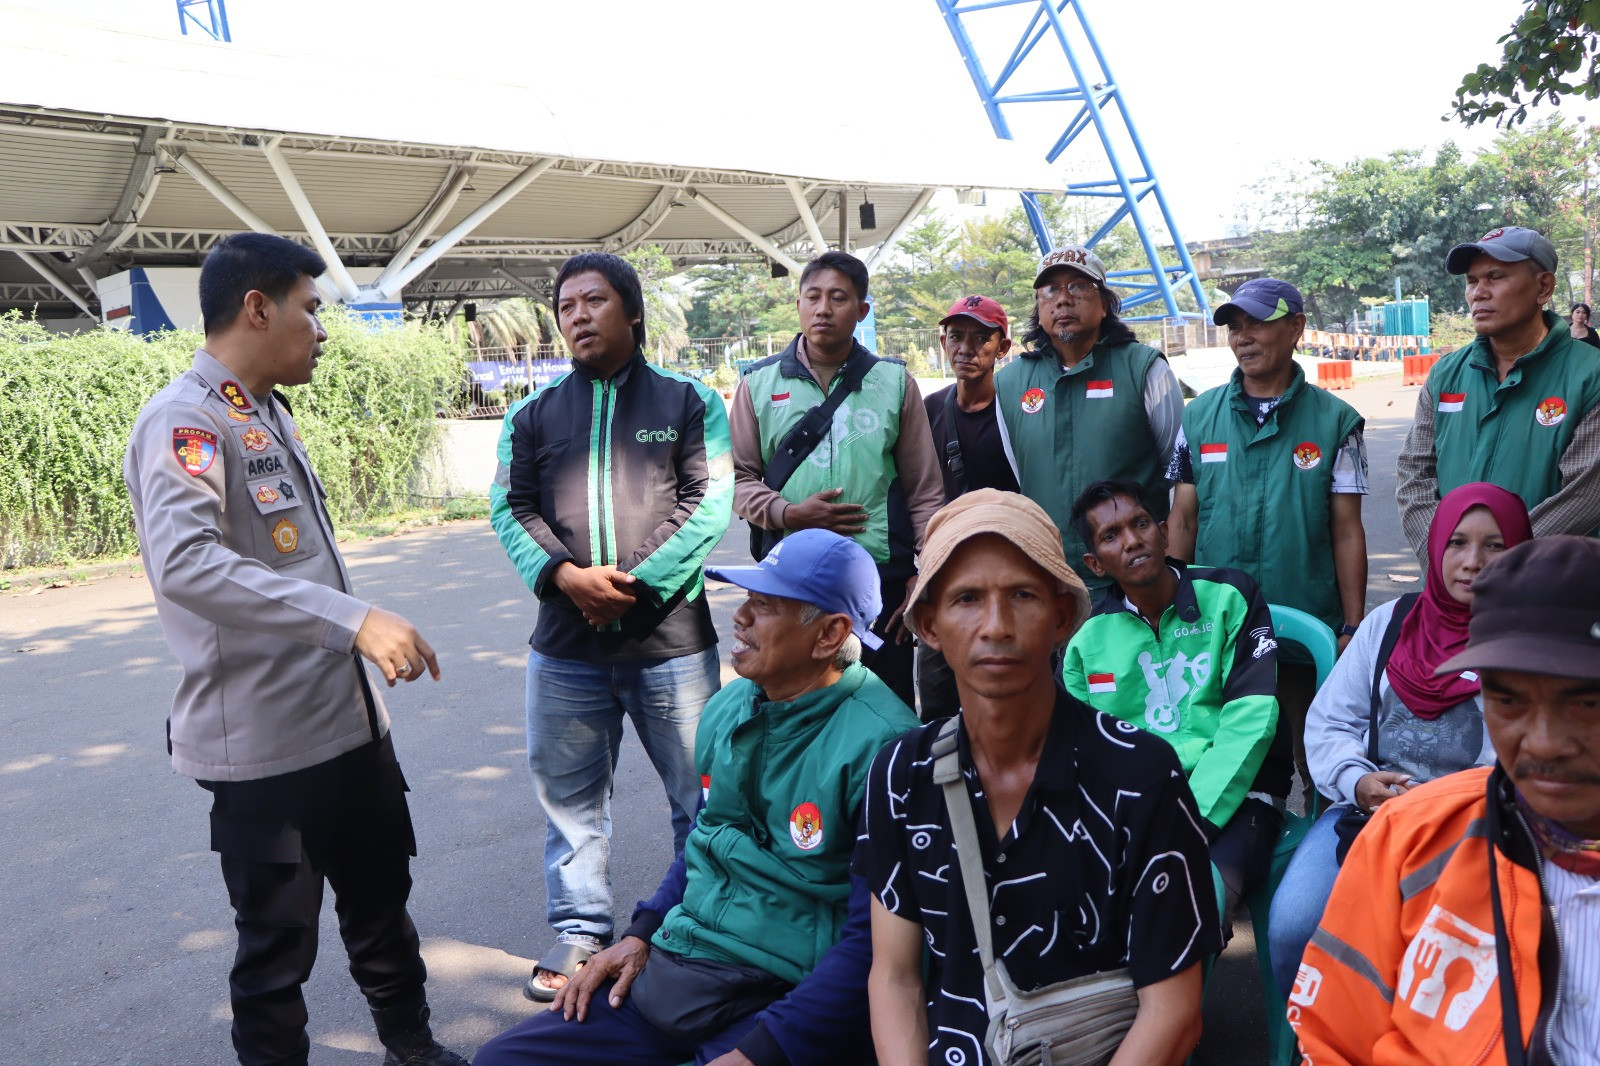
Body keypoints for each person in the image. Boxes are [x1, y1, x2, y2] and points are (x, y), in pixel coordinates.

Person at [122, 233, 465, 1066]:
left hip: (349, 728)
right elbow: (189, 565)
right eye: (311, 308)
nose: (320, 328)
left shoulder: (261, 408)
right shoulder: (186, 420)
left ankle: (414, 1051)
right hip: (269, 753)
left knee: (383, 907)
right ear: (257, 307)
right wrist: (353, 620)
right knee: (277, 955)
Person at [473, 530, 919, 1066]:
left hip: (781, 996)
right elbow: (703, 844)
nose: (741, 617)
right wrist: (640, 934)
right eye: (747, 599)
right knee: (503, 1060)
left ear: (829, 635)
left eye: (765, 606)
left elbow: (872, 944)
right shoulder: (729, 707)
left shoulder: (887, 750)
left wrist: (762, 1050)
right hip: (678, 967)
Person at [860, 490, 1221, 1066]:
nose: (996, 626)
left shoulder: (1141, 776)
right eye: (967, 599)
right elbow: (895, 977)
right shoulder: (902, 775)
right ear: (929, 625)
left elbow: (1173, 1013)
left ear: (1061, 617)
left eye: (1022, 595)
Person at [489, 252, 733, 1001]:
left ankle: (694, 926)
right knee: (569, 804)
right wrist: (566, 578)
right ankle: (580, 933)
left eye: (595, 301)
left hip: (670, 645)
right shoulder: (531, 414)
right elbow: (508, 506)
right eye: (566, 306)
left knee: (702, 796)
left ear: (631, 312)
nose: (578, 315)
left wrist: (629, 586)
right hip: (565, 650)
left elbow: (709, 500)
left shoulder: (690, 402)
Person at [1289, 536, 1600, 1066]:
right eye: (1507, 699)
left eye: (1588, 702)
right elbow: (1335, 1038)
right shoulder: (1407, 840)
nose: (1544, 741)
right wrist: (1358, 782)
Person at [1267, 481, 1532, 1000]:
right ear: (1435, 547)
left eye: (1495, 546)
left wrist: (1456, 807)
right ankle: (1319, 1043)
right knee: (1295, 926)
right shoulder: (1389, 625)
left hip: (1478, 831)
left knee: (1450, 956)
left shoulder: (1529, 644)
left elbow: (1535, 764)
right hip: (1368, 816)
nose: (1473, 561)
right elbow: (1328, 724)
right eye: (1457, 543)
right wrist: (1358, 780)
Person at [1167, 277, 1368, 789]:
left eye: (1257, 322)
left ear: (1296, 327)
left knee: (1313, 758)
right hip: (1219, 627)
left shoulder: (1336, 421)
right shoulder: (1197, 417)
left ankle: (1316, 857)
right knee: (1220, 757)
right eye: (1235, 326)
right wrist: (1171, 609)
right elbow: (1184, 519)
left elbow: (1347, 531)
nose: (1243, 336)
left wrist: (1349, 626)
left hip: (1305, 620)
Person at [1061, 479, 1290, 929]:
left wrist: (1187, 820)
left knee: (1188, 907)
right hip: (1134, 810)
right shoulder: (1086, 642)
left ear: (1164, 532)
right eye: (1111, 536)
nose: (1132, 540)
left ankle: (1180, 1000)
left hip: (1240, 800)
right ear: (1095, 563)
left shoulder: (1230, 596)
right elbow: (1077, 750)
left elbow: (1252, 718)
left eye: (1141, 523)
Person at [730, 250, 943, 708]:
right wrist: (788, 514)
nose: (823, 308)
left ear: (861, 311)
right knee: (791, 709)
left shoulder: (894, 383)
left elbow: (926, 492)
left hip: (880, 587)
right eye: (813, 296)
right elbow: (738, 480)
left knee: (884, 710)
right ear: (800, 304)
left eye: (838, 298)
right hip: (787, 582)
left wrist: (922, 575)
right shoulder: (758, 383)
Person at [1398, 226, 1600, 563]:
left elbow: (1585, 496)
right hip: (1450, 592)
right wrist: (1446, 557)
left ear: (1543, 287)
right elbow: (1413, 474)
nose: (1478, 292)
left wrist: (1495, 563)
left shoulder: (1590, 376)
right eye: (1472, 281)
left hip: (1551, 591)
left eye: (1495, 277)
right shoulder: (1446, 373)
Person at [995, 245, 1183, 591]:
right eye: (1050, 290)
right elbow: (1021, 471)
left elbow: (1178, 474)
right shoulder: (1009, 382)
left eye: (1078, 287)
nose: (1062, 300)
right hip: (1049, 577)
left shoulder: (1144, 368)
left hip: (1134, 581)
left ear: (1106, 304)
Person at [917, 294, 1020, 719]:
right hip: (948, 567)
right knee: (939, 692)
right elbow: (915, 490)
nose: (966, 348)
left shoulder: (1018, 410)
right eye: (956, 336)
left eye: (982, 338)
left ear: (1003, 348)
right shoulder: (929, 410)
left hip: (1012, 563)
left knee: (1010, 687)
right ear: (943, 342)